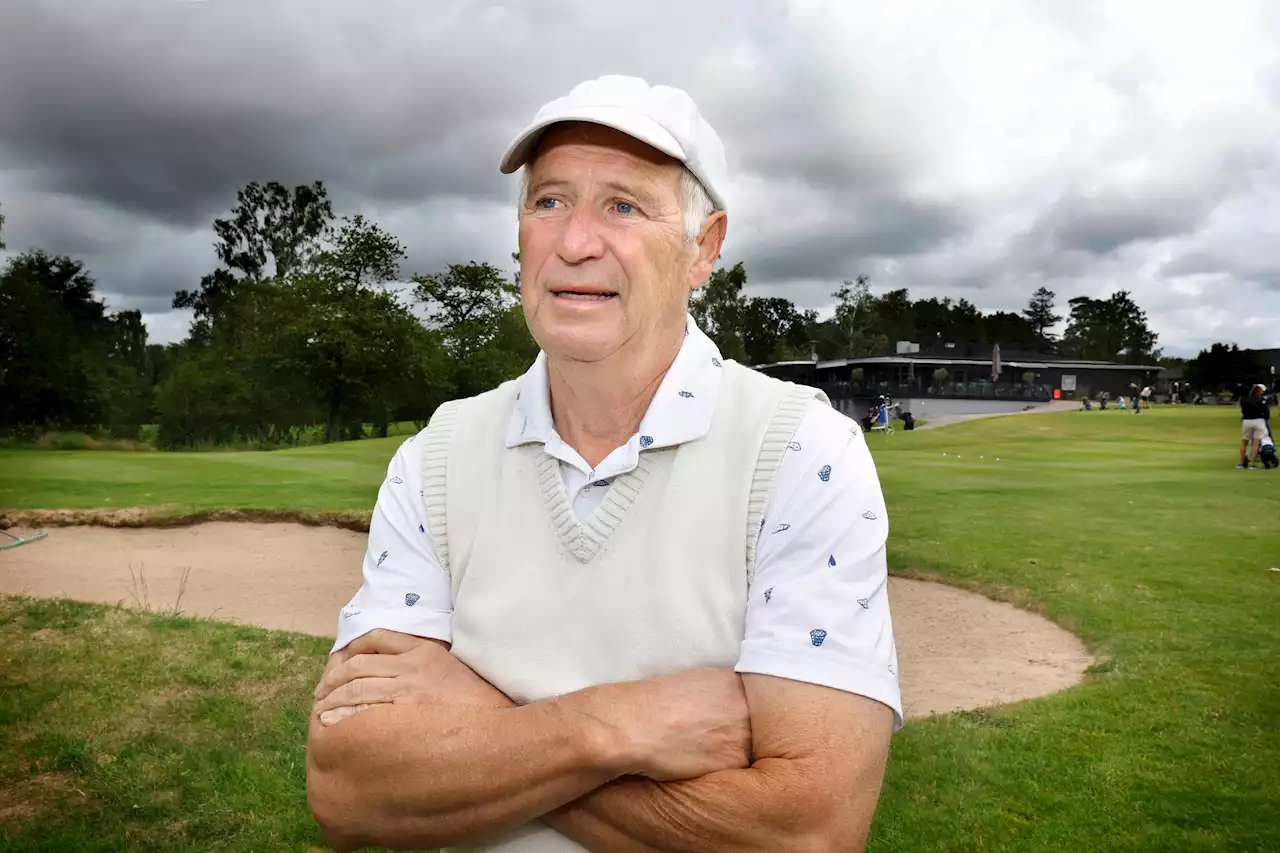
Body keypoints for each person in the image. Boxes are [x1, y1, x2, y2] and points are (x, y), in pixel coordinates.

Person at [306, 75, 901, 853]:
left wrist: (484, 730)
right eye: (549, 200)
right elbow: (350, 788)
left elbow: (810, 829)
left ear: (704, 248)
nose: (575, 241)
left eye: (623, 205)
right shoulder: (437, 458)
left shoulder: (800, 455)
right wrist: (610, 729)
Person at [1239, 383, 1269, 469]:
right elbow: (1266, 413)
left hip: (1246, 421)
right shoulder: (1261, 399)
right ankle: (1251, 463)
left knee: (1244, 442)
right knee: (1256, 443)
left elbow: (1243, 410)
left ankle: (1241, 463)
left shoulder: (1245, 399)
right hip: (1258, 421)